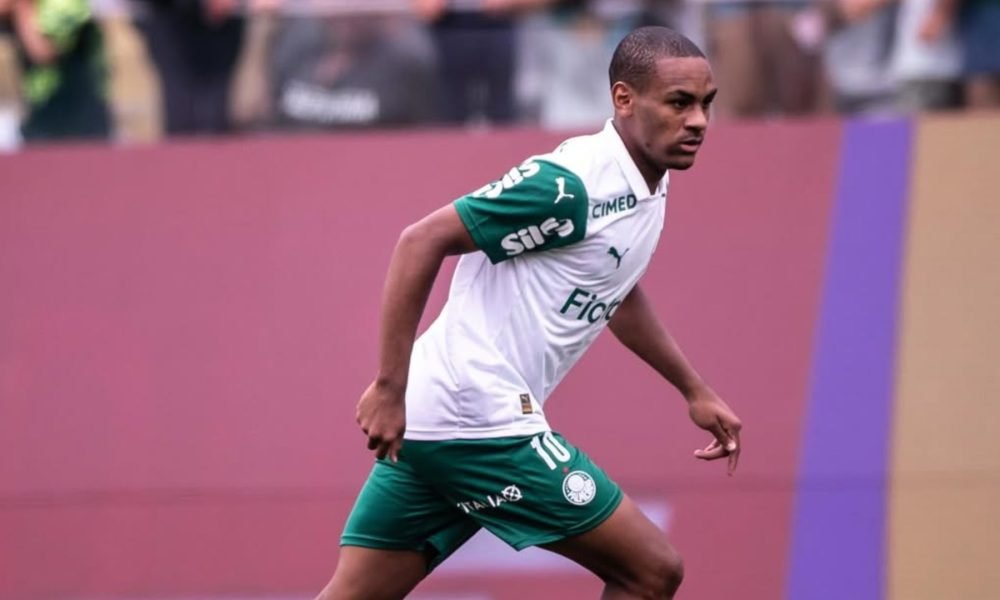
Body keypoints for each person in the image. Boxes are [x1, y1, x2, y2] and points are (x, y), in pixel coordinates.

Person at [318, 26, 743, 600]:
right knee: (652, 569)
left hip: (441, 416)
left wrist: (694, 389)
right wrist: (389, 387)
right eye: (679, 103)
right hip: (476, 414)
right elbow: (419, 241)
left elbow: (615, 288)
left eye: (706, 104)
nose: (698, 121)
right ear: (624, 99)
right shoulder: (569, 185)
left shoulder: (648, 181)